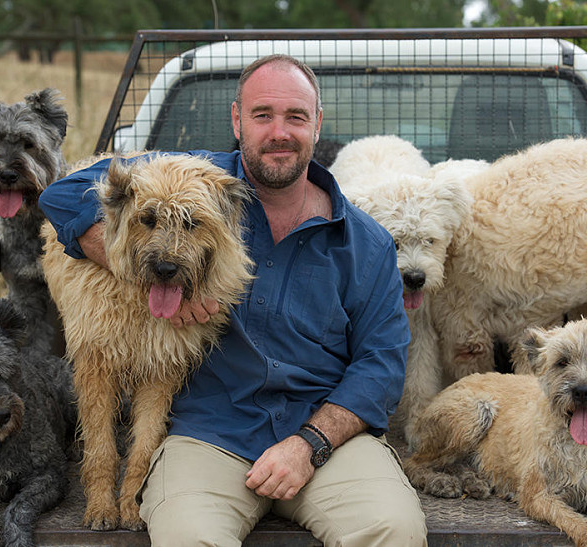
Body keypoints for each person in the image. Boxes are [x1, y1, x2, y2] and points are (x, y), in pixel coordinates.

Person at [39, 54, 427, 547]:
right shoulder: (191, 181)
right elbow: (63, 193)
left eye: (296, 117)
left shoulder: (366, 242)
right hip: (209, 434)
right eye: (262, 115)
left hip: (324, 439)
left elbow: (382, 364)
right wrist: (132, 268)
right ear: (236, 120)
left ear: (318, 124)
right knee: (186, 537)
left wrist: (310, 444)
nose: (279, 132)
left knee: (394, 529)